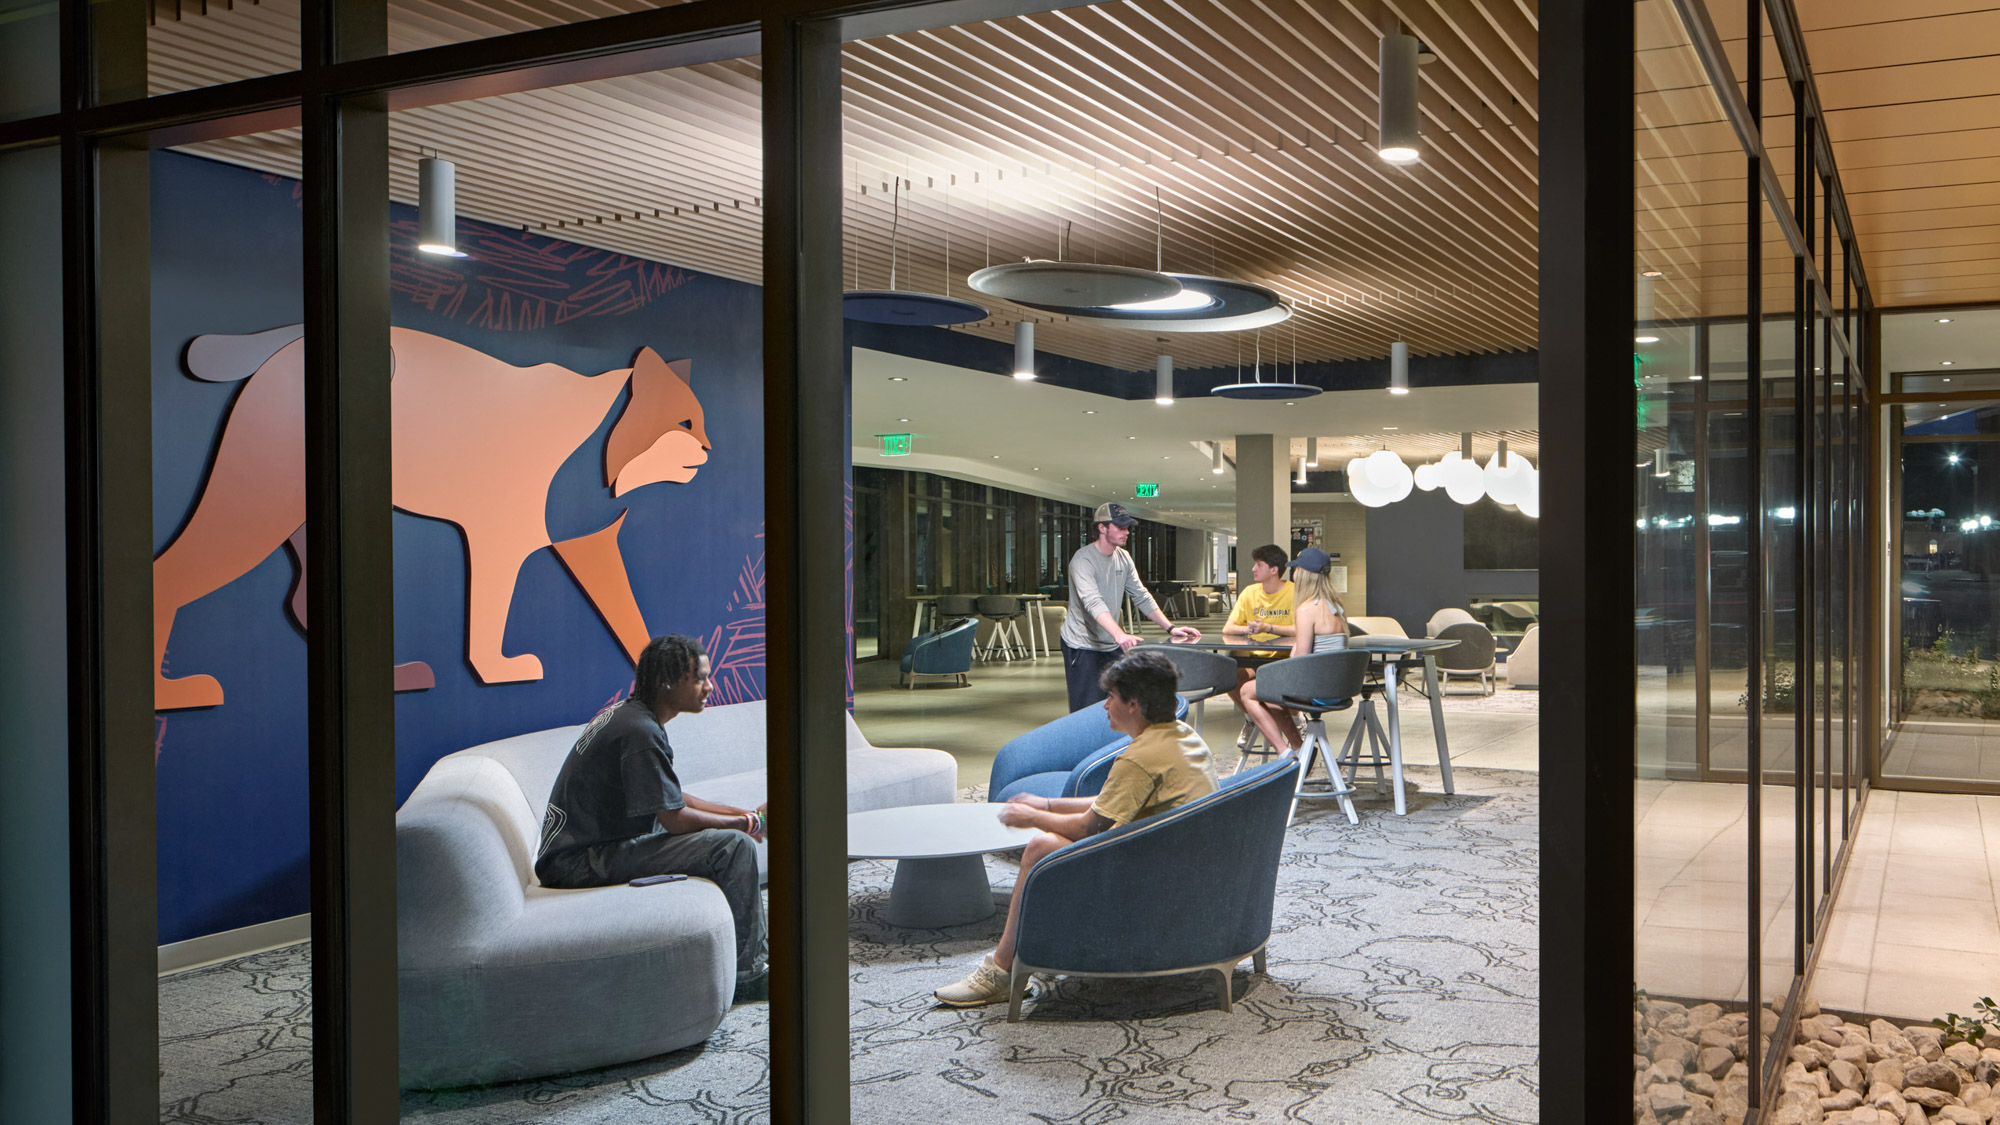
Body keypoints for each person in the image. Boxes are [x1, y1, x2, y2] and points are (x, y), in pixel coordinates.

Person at [934, 649, 1219, 1007]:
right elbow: (1108, 802)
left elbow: (1090, 828)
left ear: (1133, 704)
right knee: (1051, 839)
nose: (1104, 706)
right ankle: (1033, 951)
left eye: (1111, 697)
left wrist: (1034, 817)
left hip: (1158, 879)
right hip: (1188, 867)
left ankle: (1001, 973)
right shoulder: (1178, 735)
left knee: (1041, 846)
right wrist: (1048, 804)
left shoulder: (1140, 757)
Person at [534, 634, 770, 1003]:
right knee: (732, 847)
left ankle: (750, 954)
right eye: (700, 678)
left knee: (730, 837)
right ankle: (748, 975)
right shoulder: (640, 731)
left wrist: (747, 813)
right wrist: (745, 826)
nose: (710, 687)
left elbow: (674, 798)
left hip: (584, 852)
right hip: (579, 862)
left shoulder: (634, 717)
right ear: (667, 682)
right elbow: (675, 819)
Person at [1060, 501, 1200, 712]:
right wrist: (1120, 635)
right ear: (1102, 527)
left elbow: (1140, 594)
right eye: (1120, 527)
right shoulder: (1083, 560)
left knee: (1120, 706)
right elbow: (1093, 601)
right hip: (1082, 645)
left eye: (1127, 527)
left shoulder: (1123, 557)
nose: (1126, 532)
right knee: (1086, 712)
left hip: (1110, 643)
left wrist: (1170, 628)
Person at [1222, 544, 1301, 754]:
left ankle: (1292, 719)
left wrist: (1270, 627)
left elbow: (1302, 629)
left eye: (1258, 564)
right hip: (1255, 659)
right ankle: (1251, 718)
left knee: (1267, 689)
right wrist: (1250, 629)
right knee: (1229, 675)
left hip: (1285, 661)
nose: (1253, 569)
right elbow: (1228, 628)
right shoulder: (1249, 592)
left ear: (1274, 570)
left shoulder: (1294, 592)